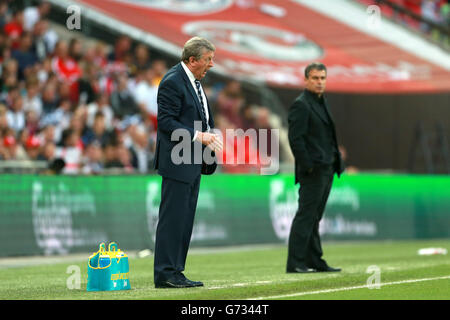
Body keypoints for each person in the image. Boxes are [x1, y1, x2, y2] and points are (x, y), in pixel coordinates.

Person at [152, 36, 222, 288]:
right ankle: (164, 273)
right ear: (192, 60)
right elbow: (166, 121)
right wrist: (198, 135)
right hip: (177, 160)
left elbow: (201, 117)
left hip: (192, 161)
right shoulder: (172, 81)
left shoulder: (194, 81)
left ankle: (176, 271)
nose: (211, 64)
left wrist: (209, 136)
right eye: (208, 59)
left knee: (184, 219)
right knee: (173, 218)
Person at [286, 62, 345, 274]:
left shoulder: (321, 102)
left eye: (322, 78)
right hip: (314, 170)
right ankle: (295, 262)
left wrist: (336, 159)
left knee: (315, 216)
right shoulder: (301, 104)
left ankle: (314, 259)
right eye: (315, 78)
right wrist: (308, 166)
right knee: (306, 215)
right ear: (306, 80)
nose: (319, 82)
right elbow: (295, 139)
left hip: (327, 167)